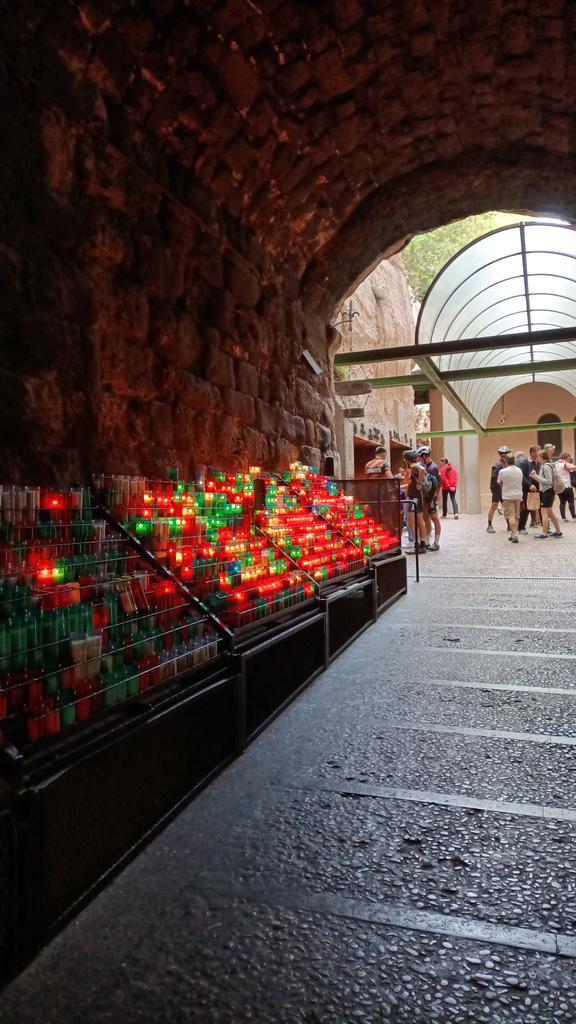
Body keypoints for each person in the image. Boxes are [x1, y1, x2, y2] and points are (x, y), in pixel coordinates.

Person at [530, 449, 562, 538]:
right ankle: (558, 532)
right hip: (548, 491)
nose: (537, 458)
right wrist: (535, 476)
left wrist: (536, 477)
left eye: (538, 456)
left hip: (547, 491)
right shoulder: (546, 465)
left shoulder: (546, 466)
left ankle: (544, 533)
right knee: (550, 513)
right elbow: (545, 479)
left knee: (544, 512)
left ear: (541, 457)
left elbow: (548, 481)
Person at [417, 446, 441, 551]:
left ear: (425, 455)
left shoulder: (433, 467)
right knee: (426, 518)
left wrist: (435, 496)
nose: (420, 459)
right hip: (425, 497)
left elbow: (438, 484)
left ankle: (436, 543)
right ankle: (427, 540)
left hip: (430, 498)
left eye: (421, 457)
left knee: (435, 519)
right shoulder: (425, 466)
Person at [403, 450, 427, 555]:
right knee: (420, 521)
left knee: (412, 522)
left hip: (414, 498)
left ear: (406, 459)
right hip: (418, 497)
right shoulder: (414, 466)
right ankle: (422, 544)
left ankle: (416, 545)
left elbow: (422, 470)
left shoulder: (413, 465)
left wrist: (419, 483)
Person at [497, 452, 523, 543]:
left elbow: (499, 482)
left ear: (506, 461)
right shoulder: (519, 470)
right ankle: (513, 534)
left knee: (511, 516)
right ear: (514, 461)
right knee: (517, 516)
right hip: (518, 495)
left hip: (507, 496)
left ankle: (514, 534)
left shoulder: (503, 471)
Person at [487, 445, 511, 533]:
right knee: (494, 505)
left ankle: (509, 525)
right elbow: (494, 478)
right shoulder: (497, 465)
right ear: (503, 454)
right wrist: (500, 485)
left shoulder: (506, 464)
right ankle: (489, 525)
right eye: (507, 453)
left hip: (503, 489)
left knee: (506, 507)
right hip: (497, 489)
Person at [517, 445, 540, 533]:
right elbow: (522, 476)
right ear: (532, 452)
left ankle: (545, 527)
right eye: (537, 451)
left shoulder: (539, 462)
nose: (539, 453)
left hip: (538, 489)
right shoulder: (524, 463)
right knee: (526, 508)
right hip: (526, 490)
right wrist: (529, 484)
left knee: (539, 507)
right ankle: (521, 527)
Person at [555, 451, 576, 521]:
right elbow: (572, 466)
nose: (570, 460)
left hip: (560, 486)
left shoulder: (556, 464)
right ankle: (574, 517)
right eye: (569, 458)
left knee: (562, 502)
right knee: (571, 501)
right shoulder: (563, 464)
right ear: (566, 458)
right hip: (567, 486)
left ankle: (563, 517)